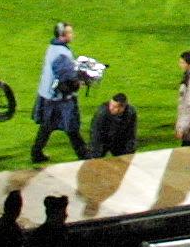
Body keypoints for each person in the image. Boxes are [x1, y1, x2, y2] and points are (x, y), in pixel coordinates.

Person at [30, 23, 89, 164]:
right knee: (71, 126)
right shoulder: (62, 53)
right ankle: (83, 154)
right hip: (60, 97)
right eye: (70, 33)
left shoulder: (53, 48)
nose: (72, 35)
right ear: (62, 36)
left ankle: (36, 153)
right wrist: (81, 81)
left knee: (47, 125)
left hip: (48, 94)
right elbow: (65, 77)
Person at [88, 93, 139, 157]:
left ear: (122, 108)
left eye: (115, 106)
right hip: (103, 140)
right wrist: (96, 152)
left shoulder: (131, 112)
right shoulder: (102, 113)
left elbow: (131, 133)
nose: (111, 108)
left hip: (119, 140)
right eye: (111, 105)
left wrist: (130, 150)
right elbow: (96, 134)